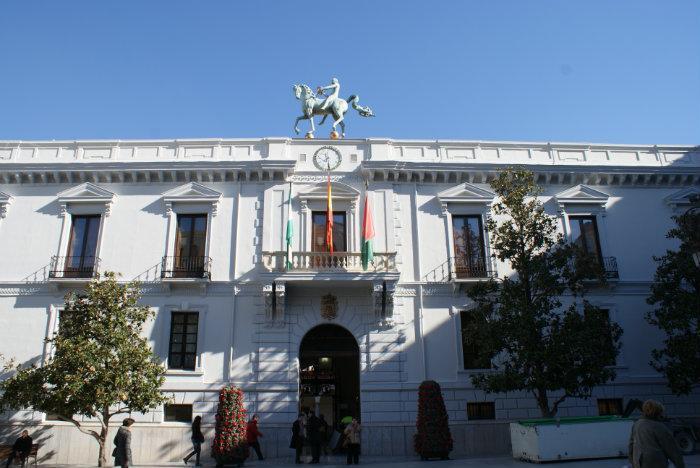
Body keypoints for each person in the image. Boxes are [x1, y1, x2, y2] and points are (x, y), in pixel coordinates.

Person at [628, 399, 685, 468]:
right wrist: (680, 465)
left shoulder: (637, 424)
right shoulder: (659, 427)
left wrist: (633, 461)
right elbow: (673, 450)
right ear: (658, 412)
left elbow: (631, 445)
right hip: (655, 462)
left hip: (639, 461)